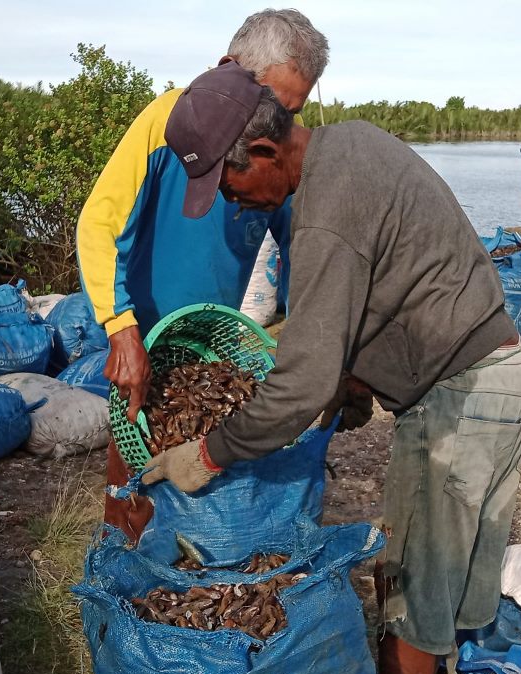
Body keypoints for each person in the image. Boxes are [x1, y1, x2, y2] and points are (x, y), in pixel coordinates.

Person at [143, 64, 521, 674]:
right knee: (449, 593)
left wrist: (208, 453)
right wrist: (355, 379)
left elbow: (300, 380)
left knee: (406, 600)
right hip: (503, 379)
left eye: (231, 182)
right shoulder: (354, 141)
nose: (234, 201)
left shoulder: (324, 213)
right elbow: (397, 279)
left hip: (459, 402)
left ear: (266, 151)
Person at [76, 8, 330, 539]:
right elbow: (98, 224)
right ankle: (123, 557)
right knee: (134, 461)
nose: (280, 125)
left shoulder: (276, 148)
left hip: (215, 338)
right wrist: (121, 331)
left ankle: (199, 555)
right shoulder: (169, 120)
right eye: (276, 104)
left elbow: (300, 247)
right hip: (144, 331)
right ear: (230, 70)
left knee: (202, 457)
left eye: (293, 111)